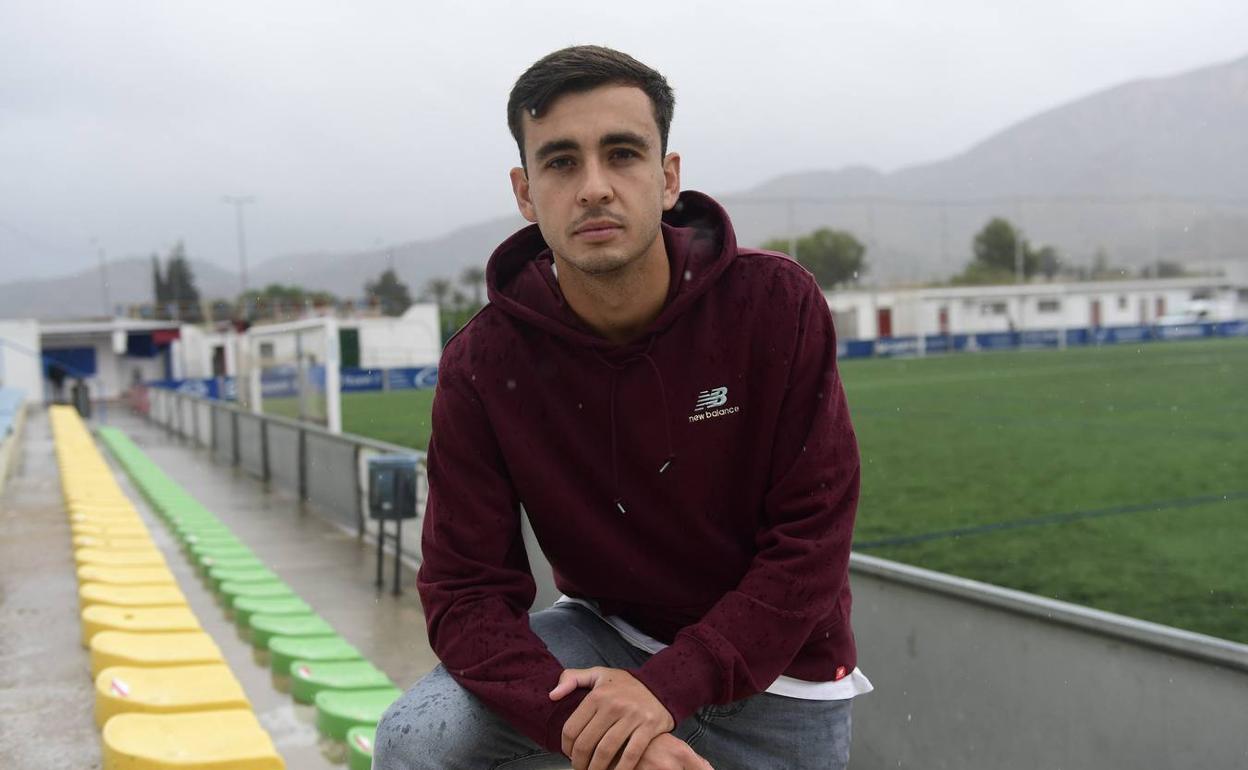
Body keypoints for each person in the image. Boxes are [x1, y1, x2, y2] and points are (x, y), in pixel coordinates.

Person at [375, 45, 869, 770]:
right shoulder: (484, 363)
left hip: (781, 682)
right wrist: (593, 726)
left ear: (668, 177)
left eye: (623, 154)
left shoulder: (773, 305)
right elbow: (465, 591)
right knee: (416, 738)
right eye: (562, 162)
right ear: (525, 191)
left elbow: (810, 541)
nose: (595, 187)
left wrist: (666, 690)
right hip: (607, 646)